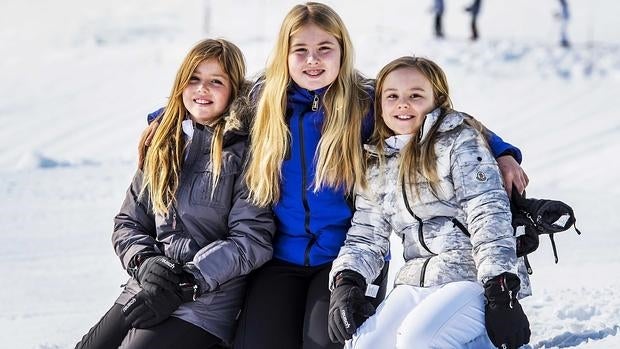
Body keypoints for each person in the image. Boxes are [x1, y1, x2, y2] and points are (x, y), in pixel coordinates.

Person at [137, 4, 528, 348]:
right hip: (278, 258)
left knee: (327, 340)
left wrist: (502, 151)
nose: (313, 60)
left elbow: (436, 118)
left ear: (342, 51)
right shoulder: (262, 101)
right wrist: (163, 120)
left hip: (344, 260)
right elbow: (210, 103)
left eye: (325, 49)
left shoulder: (364, 101)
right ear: (284, 55)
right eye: (300, 51)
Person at [74, 38, 275, 349]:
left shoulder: (246, 152)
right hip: (148, 286)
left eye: (215, 81)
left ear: (234, 90)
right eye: (193, 79)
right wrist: (146, 263)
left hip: (205, 301)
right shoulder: (164, 143)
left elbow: (251, 240)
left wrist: (188, 281)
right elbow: (128, 222)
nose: (202, 89)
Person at [327, 56, 531, 349]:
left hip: (473, 278)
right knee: (365, 344)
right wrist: (348, 281)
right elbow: (366, 235)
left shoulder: (459, 142)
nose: (402, 104)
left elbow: (488, 212)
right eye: (392, 96)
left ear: (437, 100)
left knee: (418, 339)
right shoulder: (378, 162)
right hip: (416, 279)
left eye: (415, 95)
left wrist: (501, 288)